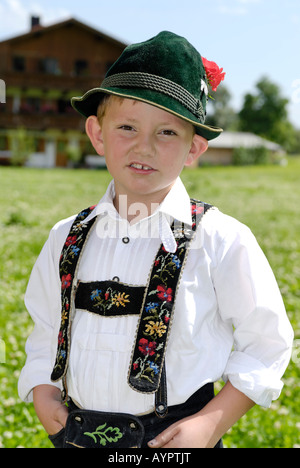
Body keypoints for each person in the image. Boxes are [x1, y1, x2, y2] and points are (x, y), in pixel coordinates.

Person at [18, 31, 293, 449]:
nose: (143, 146)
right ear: (97, 133)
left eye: (167, 132)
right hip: (74, 435)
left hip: (176, 440)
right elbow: (44, 327)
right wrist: (42, 389)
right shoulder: (65, 237)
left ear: (193, 149)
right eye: (127, 127)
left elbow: (267, 341)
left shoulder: (221, 239)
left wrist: (212, 424)